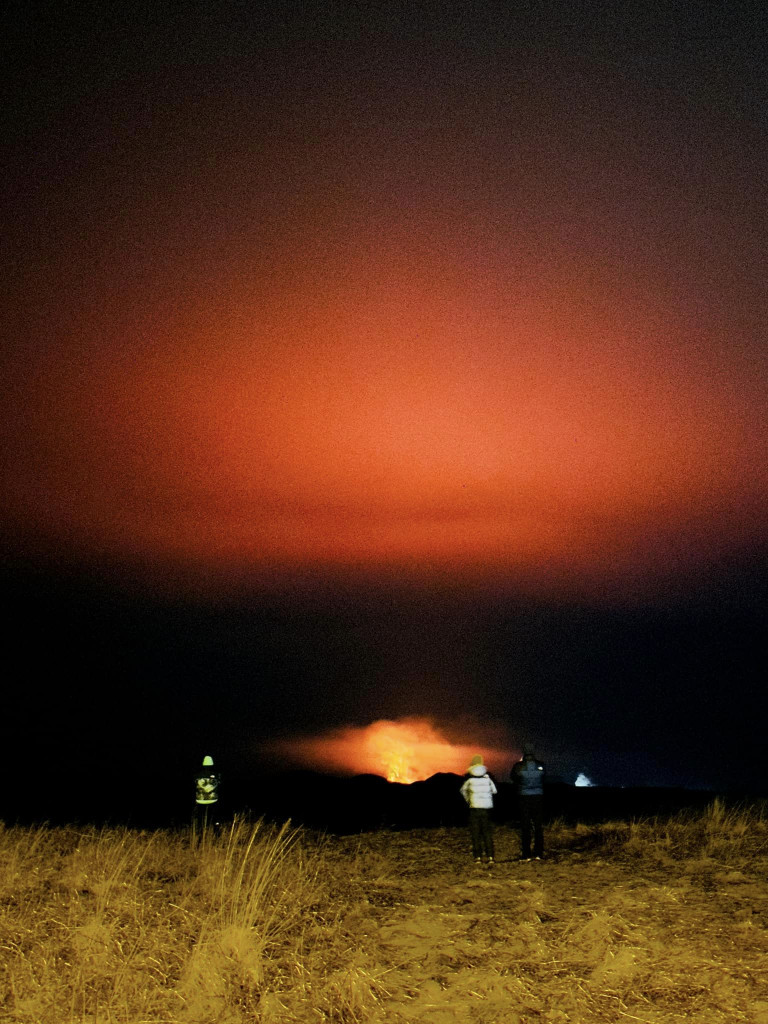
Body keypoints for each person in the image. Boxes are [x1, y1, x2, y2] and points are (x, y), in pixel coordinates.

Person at [460, 754, 498, 864]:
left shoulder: (469, 779)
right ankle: (491, 857)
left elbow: (463, 791)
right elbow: (495, 791)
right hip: (486, 809)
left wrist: (469, 800)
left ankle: (478, 857)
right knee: (487, 833)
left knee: (476, 833)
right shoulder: (488, 779)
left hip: (474, 808)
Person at [512, 746, 545, 860]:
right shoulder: (541, 765)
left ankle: (526, 854)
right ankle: (539, 853)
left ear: (524, 753)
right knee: (538, 825)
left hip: (524, 797)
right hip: (538, 796)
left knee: (525, 826)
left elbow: (514, 778)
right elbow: (543, 778)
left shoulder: (518, 766)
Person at [194, 754, 220, 838]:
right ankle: (216, 834)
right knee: (215, 818)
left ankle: (200, 835)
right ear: (212, 764)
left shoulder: (197, 775)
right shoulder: (217, 774)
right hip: (213, 800)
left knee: (201, 819)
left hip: (200, 800)